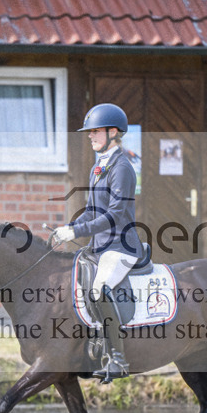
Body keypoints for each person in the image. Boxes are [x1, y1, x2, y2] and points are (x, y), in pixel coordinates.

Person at [51, 103, 142, 382]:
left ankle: (117, 358)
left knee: (99, 289)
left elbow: (115, 215)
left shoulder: (122, 167)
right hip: (100, 246)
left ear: (113, 132)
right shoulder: (98, 167)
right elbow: (92, 211)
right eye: (89, 132)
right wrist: (71, 228)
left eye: (95, 131)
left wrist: (77, 233)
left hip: (121, 246)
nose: (90, 136)